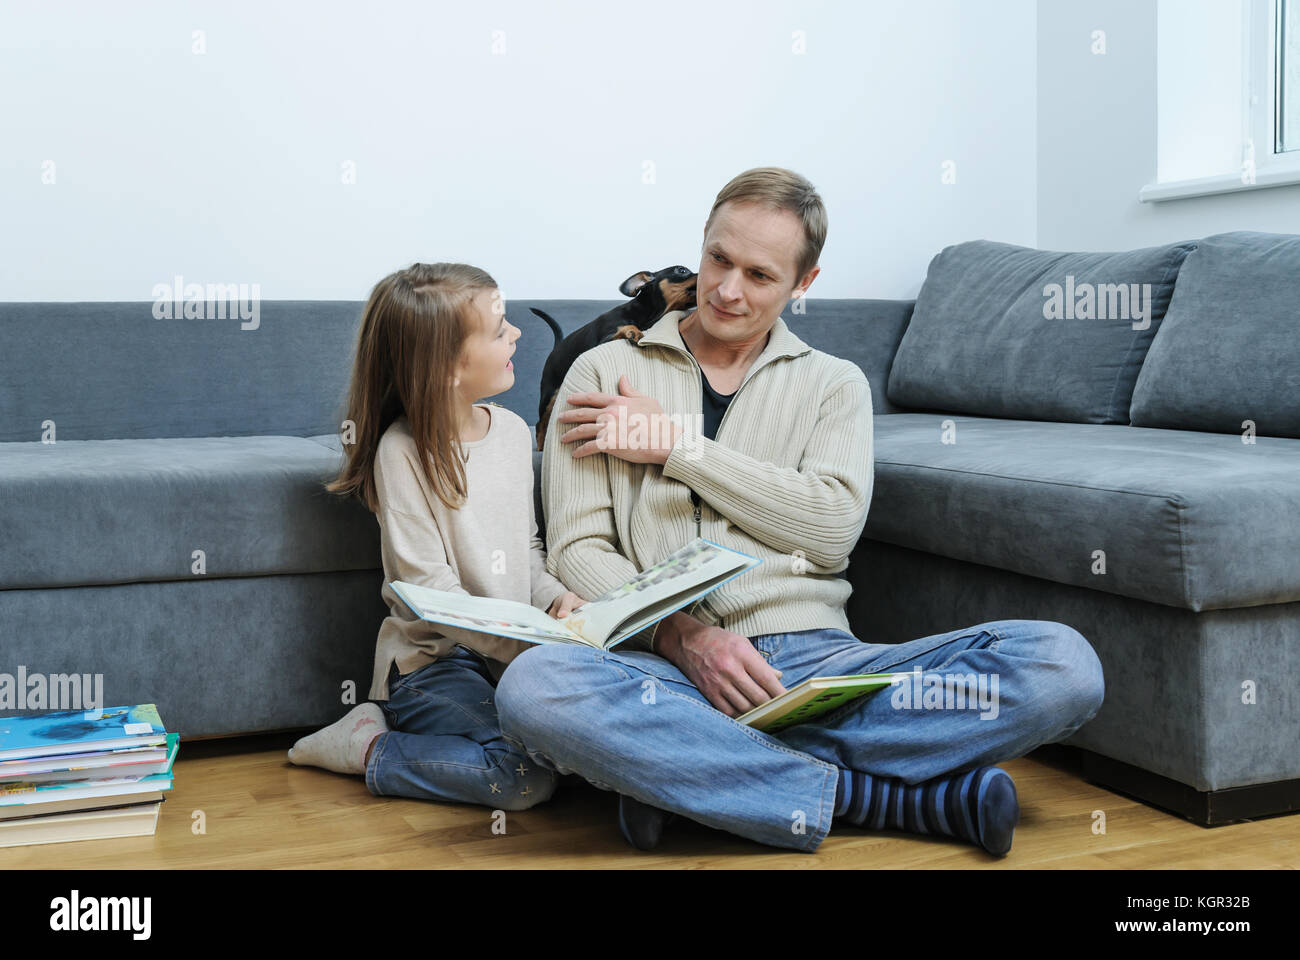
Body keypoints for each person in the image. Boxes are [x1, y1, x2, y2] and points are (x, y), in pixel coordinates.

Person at [494, 167, 1106, 854]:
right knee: (537, 686)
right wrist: (683, 638)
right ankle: (881, 798)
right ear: (701, 243)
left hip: (819, 667)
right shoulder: (602, 371)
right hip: (661, 670)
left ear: (803, 284)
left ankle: (695, 780)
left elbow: (830, 527)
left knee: (1063, 666)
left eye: (759, 275)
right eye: (719, 259)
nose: (727, 290)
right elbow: (579, 549)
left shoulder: (833, 386)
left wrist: (677, 446)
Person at [287, 262, 588, 811]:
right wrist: (535, 644)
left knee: (582, 751)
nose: (517, 333)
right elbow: (432, 591)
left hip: (515, 657)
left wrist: (555, 599)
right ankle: (367, 744)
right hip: (435, 663)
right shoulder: (400, 454)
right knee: (524, 775)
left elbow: (526, 551)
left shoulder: (515, 434)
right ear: (448, 367)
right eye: (499, 330)